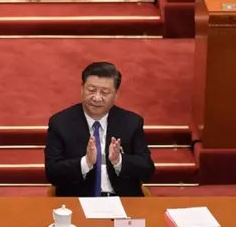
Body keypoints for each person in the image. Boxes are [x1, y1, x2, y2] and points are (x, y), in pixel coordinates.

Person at [45, 62, 155, 197]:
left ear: (116, 95)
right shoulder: (60, 123)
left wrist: (119, 161)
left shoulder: (131, 123)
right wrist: (85, 162)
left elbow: (147, 170)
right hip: (77, 201)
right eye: (91, 90)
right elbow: (51, 174)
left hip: (123, 202)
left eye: (105, 92)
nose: (97, 98)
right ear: (82, 88)